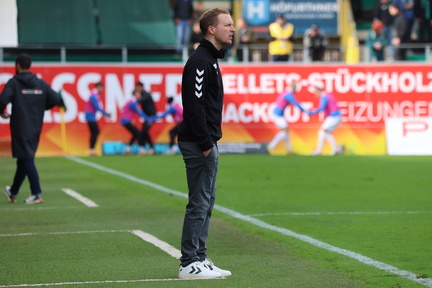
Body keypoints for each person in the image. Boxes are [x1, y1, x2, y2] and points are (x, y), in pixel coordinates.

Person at [177, 8, 234, 280]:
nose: (233, 29)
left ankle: (199, 257)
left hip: (207, 141)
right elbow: (194, 105)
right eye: (227, 24)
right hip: (200, 143)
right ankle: (189, 263)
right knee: (199, 202)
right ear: (211, 29)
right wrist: (205, 143)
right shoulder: (200, 61)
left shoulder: (210, 59)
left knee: (207, 201)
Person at [0, 54, 66, 204]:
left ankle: (36, 193)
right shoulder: (40, 83)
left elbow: (3, 99)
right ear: (30, 66)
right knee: (23, 159)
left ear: (17, 66)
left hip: (19, 126)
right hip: (36, 126)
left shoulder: (14, 82)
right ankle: (13, 191)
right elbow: (55, 99)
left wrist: (1, 111)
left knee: (27, 158)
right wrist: (43, 106)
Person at [267, 82, 306, 155]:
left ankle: (288, 149)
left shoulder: (286, 93)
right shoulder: (288, 95)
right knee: (285, 130)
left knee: (286, 130)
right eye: (295, 88)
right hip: (277, 115)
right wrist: (305, 111)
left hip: (278, 114)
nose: (296, 90)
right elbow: (296, 103)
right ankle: (271, 146)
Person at [308, 83, 344, 156]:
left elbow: (321, 108)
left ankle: (320, 150)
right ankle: (335, 149)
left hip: (334, 117)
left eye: (315, 91)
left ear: (319, 90)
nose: (315, 93)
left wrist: (311, 112)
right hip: (336, 116)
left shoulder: (324, 97)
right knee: (325, 132)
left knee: (323, 131)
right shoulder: (328, 95)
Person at [120, 89, 152, 155]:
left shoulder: (130, 101)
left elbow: (124, 109)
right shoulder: (133, 102)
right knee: (139, 133)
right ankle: (141, 149)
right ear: (135, 94)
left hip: (125, 120)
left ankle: (128, 149)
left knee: (135, 134)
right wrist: (148, 119)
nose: (140, 95)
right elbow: (139, 112)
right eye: (139, 94)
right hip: (126, 121)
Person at [84, 82, 110, 156]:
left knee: (94, 132)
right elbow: (97, 107)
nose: (102, 90)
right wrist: (106, 114)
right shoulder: (94, 95)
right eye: (102, 88)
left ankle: (91, 149)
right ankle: (91, 149)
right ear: (98, 87)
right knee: (95, 132)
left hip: (91, 115)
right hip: (90, 116)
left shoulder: (95, 94)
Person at [135, 82, 156, 155]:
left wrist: (135, 98)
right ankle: (145, 148)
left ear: (142, 87)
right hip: (147, 117)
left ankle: (151, 148)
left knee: (144, 131)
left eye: (138, 87)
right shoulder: (143, 95)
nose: (137, 89)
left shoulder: (146, 95)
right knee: (142, 132)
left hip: (151, 117)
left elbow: (139, 101)